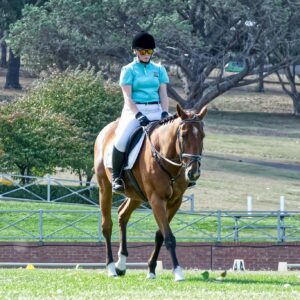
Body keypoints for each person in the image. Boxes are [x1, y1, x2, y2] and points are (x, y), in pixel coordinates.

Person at [112, 31, 170, 194]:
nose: (146, 55)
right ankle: (116, 177)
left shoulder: (159, 70)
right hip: (134, 109)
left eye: (149, 51)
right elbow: (127, 97)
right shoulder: (128, 70)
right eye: (143, 51)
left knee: (175, 136)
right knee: (122, 140)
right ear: (135, 51)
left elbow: (163, 94)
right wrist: (138, 115)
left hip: (156, 109)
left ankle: (182, 176)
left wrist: (165, 112)